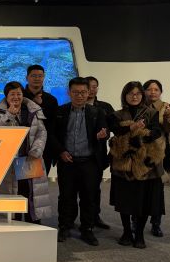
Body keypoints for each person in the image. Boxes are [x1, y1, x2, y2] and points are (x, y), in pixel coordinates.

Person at [48, 77, 109, 246]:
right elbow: (51, 134)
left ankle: (87, 229)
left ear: (89, 93)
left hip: (89, 162)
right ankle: (65, 226)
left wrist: (101, 136)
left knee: (89, 197)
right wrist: (61, 151)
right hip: (67, 161)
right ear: (69, 93)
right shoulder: (60, 111)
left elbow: (105, 133)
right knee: (66, 196)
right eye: (75, 92)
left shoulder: (96, 112)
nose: (80, 95)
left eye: (83, 92)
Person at [107, 81, 165, 249]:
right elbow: (116, 130)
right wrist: (132, 127)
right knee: (124, 200)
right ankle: (126, 232)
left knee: (144, 201)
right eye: (131, 93)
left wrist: (139, 137)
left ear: (142, 95)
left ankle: (139, 234)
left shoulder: (151, 113)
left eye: (138, 93)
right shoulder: (117, 114)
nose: (134, 96)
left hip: (146, 165)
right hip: (123, 163)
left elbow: (156, 132)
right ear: (125, 95)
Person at [0, 81, 52, 224]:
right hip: (9, 160)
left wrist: (37, 150)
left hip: (29, 158)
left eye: (19, 94)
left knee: (30, 194)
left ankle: (33, 226)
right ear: (6, 96)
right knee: (12, 194)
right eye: (12, 94)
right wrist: (9, 115)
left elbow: (42, 132)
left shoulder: (32, 109)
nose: (16, 97)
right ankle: (14, 225)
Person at [142, 79, 170, 237]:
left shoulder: (168, 107)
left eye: (156, 89)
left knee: (157, 190)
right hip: (142, 152)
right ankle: (136, 221)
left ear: (161, 92)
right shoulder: (140, 107)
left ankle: (156, 223)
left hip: (160, 154)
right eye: (149, 89)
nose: (153, 92)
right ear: (144, 91)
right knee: (140, 189)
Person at [84, 75, 114, 230]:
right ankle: (71, 220)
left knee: (94, 189)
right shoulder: (72, 107)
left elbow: (115, 127)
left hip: (97, 155)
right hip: (76, 155)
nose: (91, 89)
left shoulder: (105, 107)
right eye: (88, 86)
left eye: (94, 86)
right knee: (73, 190)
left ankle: (95, 217)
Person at [23, 65, 58, 173]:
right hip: (22, 146)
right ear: (27, 77)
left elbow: (53, 125)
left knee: (41, 180)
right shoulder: (19, 97)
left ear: (44, 77)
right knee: (22, 179)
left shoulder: (51, 100)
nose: (37, 78)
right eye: (33, 76)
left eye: (40, 76)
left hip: (44, 148)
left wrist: (41, 106)